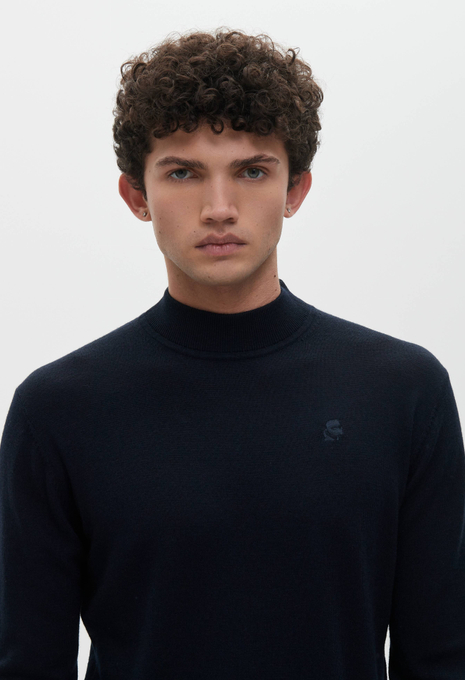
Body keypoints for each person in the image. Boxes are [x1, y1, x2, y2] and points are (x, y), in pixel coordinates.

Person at [0, 28, 464, 680]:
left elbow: (441, 658)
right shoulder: (58, 410)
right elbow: (26, 662)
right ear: (136, 196)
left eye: (251, 171)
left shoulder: (403, 392)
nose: (219, 209)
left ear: (295, 190)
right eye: (183, 173)